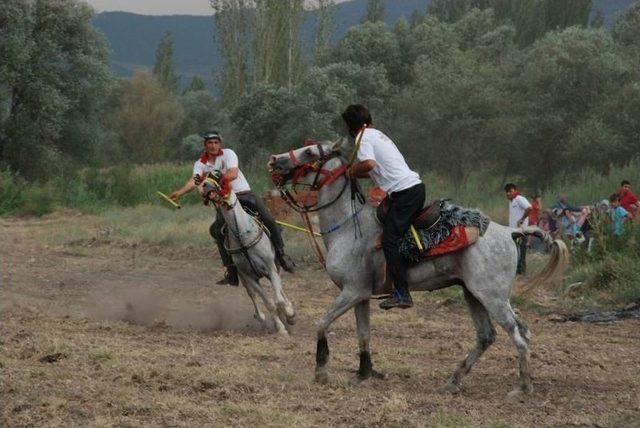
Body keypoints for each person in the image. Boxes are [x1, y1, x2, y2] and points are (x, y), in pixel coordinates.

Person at [170, 131, 294, 286]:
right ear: (205, 145)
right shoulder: (200, 164)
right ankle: (231, 270)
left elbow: (233, 173)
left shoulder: (228, 154)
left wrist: (212, 181)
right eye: (210, 143)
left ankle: (282, 255)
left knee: (269, 219)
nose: (213, 145)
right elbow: (195, 180)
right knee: (216, 231)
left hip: (244, 195)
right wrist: (180, 193)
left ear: (220, 144)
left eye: (216, 142)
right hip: (224, 201)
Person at [343, 104, 425, 310]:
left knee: (389, 240)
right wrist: (352, 172)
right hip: (409, 190)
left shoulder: (362, 138)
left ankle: (402, 294)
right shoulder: (377, 134)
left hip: (405, 193)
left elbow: (368, 164)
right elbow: (372, 169)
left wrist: (351, 169)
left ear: (351, 127)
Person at [504, 183, 531, 274]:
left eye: (510, 191)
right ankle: (516, 270)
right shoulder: (511, 202)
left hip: (521, 231)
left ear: (515, 191)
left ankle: (521, 271)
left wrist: (522, 219)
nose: (508, 193)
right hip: (513, 231)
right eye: (507, 192)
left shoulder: (519, 199)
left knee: (521, 251)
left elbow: (529, 208)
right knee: (514, 251)